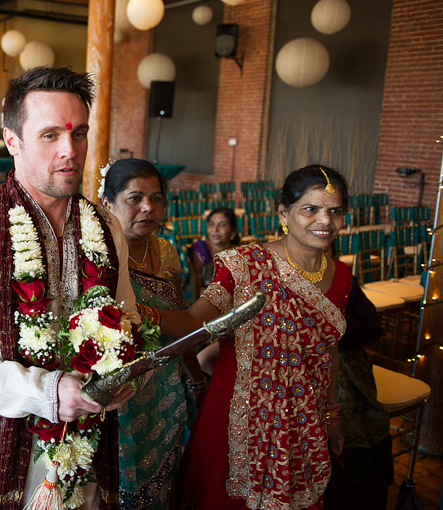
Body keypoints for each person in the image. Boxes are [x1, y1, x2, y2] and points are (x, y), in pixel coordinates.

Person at [0, 67, 139, 509]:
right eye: (50, 135)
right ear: (13, 141)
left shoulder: (105, 226)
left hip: (88, 454)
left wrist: (128, 369)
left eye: (78, 134)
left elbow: (127, 316)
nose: (69, 151)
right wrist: (46, 391)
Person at [168, 165, 349, 510]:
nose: (325, 220)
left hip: (302, 420)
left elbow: (330, 352)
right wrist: (137, 315)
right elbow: (193, 321)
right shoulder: (245, 264)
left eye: (335, 210)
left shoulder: (341, 277)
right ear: (284, 213)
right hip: (239, 413)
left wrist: (332, 417)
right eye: (310, 209)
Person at [99, 158, 206, 509]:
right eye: (135, 198)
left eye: (157, 199)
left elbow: (182, 324)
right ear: (107, 203)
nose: (148, 207)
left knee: (161, 483)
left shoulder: (167, 252)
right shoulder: (98, 256)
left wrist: (194, 379)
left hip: (165, 387)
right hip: (119, 390)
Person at [323, 277, 392, 510]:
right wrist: (348, 324)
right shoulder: (283, 279)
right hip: (303, 366)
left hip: (349, 366)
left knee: (360, 420)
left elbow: (373, 327)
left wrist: (338, 334)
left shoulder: (343, 279)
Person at [188, 207, 240, 296]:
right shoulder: (199, 251)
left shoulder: (238, 253)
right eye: (211, 224)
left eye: (222, 225)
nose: (215, 229)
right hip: (207, 303)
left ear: (233, 232)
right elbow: (196, 289)